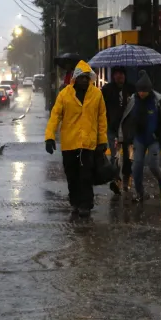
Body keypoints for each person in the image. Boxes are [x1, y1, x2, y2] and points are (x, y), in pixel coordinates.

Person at [45, 60, 108, 217]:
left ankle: (86, 205)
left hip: (88, 143)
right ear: (75, 78)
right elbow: (55, 116)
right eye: (82, 78)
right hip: (69, 143)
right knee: (72, 175)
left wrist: (102, 141)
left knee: (86, 175)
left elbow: (102, 118)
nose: (85, 81)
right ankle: (75, 202)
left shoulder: (96, 94)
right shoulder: (65, 95)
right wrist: (49, 137)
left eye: (87, 78)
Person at [118, 70, 161, 202]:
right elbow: (125, 118)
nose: (141, 93)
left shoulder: (158, 102)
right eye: (139, 90)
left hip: (154, 140)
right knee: (136, 167)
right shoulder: (133, 101)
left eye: (144, 90)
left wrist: (159, 131)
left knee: (153, 165)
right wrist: (122, 136)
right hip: (139, 139)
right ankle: (139, 193)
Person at [101, 67, 135, 193]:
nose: (119, 76)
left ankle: (127, 178)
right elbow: (101, 107)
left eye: (121, 74)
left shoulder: (131, 89)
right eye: (116, 74)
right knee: (115, 156)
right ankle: (116, 180)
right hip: (113, 128)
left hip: (128, 129)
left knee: (128, 157)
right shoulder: (107, 90)